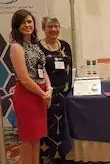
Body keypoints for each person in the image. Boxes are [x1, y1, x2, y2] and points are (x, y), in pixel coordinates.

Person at [10, 9, 52, 164]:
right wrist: (43, 94)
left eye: (29, 21)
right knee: (27, 140)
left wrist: (49, 89)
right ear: (16, 26)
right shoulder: (16, 47)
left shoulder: (34, 45)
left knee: (36, 138)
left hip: (40, 94)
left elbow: (43, 69)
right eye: (22, 22)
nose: (27, 25)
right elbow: (25, 79)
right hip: (28, 95)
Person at [38, 17, 73, 163]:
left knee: (63, 125)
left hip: (64, 93)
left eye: (56, 26)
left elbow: (70, 69)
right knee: (47, 124)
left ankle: (62, 155)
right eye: (50, 26)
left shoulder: (65, 45)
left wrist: (71, 88)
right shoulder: (37, 47)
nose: (53, 29)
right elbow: (37, 71)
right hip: (46, 93)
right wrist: (45, 91)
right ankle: (47, 156)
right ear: (43, 28)